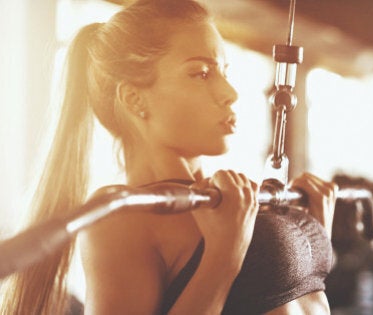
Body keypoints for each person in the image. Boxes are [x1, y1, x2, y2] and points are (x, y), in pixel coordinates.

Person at [0, 0, 337, 314]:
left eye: (224, 72)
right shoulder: (121, 217)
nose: (230, 93)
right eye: (201, 73)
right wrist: (223, 257)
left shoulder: (227, 205)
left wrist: (316, 236)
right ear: (134, 99)